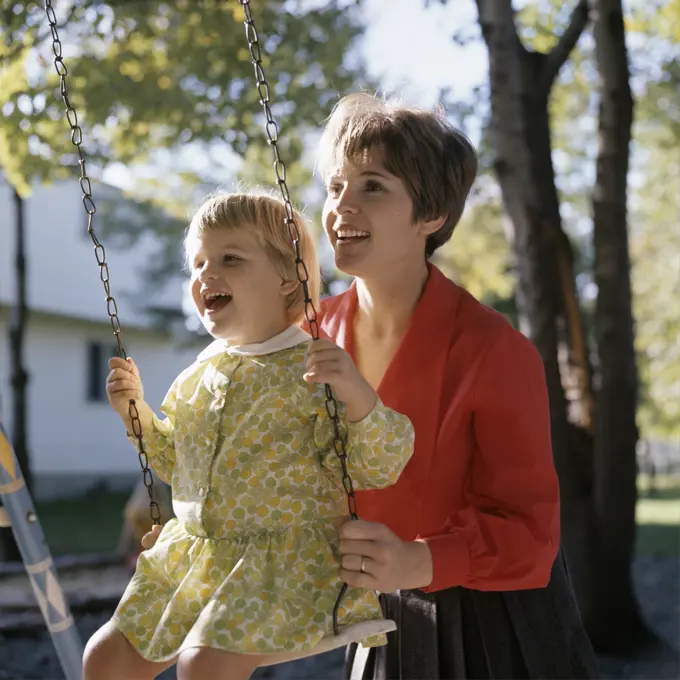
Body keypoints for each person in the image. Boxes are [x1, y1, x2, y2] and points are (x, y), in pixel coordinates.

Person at [140, 94, 599, 679]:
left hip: (495, 630)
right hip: (378, 616)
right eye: (335, 188)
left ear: (430, 214)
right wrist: (198, 530)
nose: (340, 208)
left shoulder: (495, 351)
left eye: (372, 187)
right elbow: (263, 469)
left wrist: (421, 558)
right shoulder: (302, 335)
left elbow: (532, 536)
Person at [82, 192, 415, 680]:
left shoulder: (314, 368)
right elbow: (180, 465)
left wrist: (357, 393)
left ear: (287, 277)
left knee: (202, 666)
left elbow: (381, 463)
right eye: (198, 263)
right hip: (194, 561)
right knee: (104, 656)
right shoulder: (198, 376)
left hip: (281, 568)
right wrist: (137, 416)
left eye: (230, 259)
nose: (205, 275)